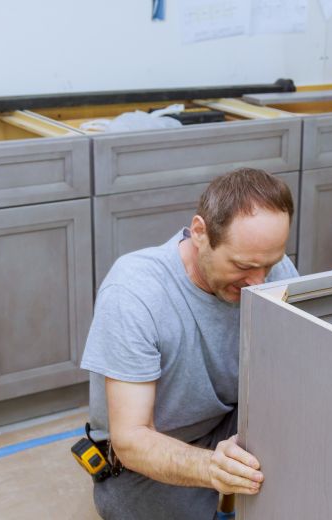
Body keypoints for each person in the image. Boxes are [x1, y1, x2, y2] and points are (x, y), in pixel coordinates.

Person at [80, 167, 299, 519]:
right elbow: (131, 440)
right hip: (146, 455)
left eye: (269, 265)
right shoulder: (134, 292)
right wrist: (213, 468)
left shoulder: (272, 271)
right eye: (243, 265)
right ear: (200, 232)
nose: (258, 283)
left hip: (226, 423)